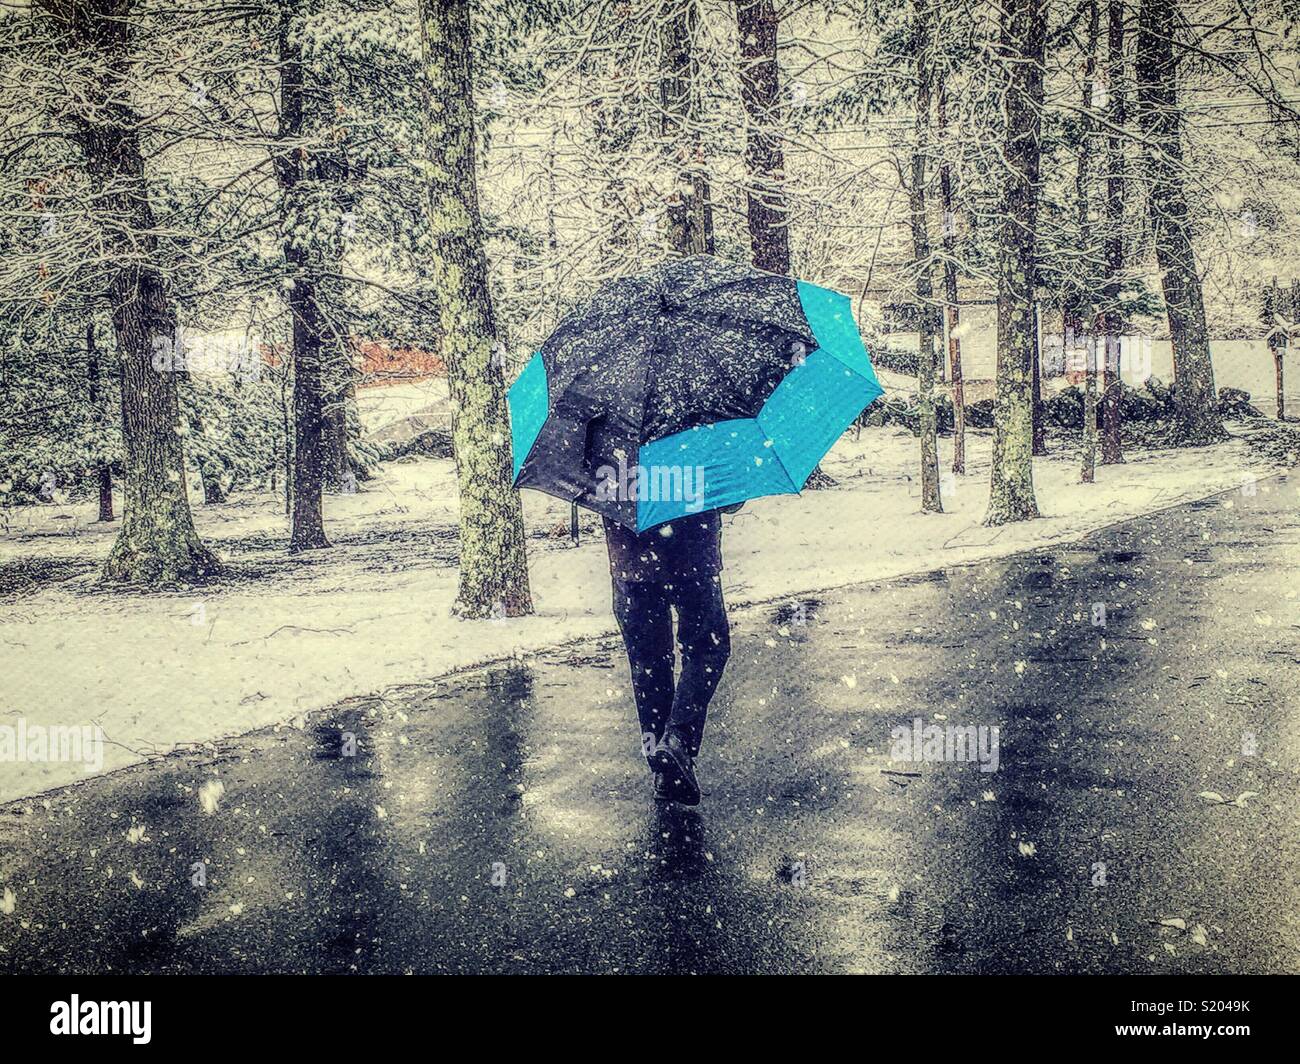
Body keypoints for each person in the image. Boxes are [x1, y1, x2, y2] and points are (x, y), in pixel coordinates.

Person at [603, 508, 734, 805]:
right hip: (692, 556)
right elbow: (728, 499)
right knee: (707, 648)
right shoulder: (698, 457)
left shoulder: (612, 459)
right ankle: (677, 738)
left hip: (630, 559)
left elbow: (594, 489)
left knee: (649, 663)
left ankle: (663, 768)